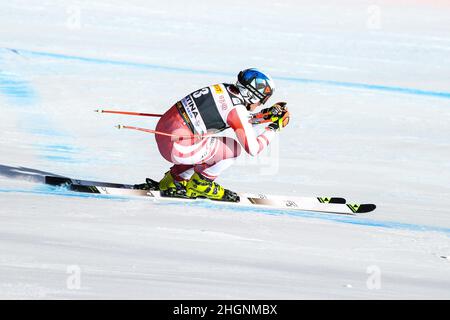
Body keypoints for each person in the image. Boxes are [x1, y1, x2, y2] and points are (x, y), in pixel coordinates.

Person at [153, 68, 290, 202]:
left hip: (164, 135)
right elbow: (253, 149)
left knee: (206, 142)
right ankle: (201, 184)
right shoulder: (237, 110)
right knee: (232, 148)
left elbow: (236, 118)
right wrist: (274, 128)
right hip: (177, 149)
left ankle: (174, 179)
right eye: (262, 100)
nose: (260, 104)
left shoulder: (222, 88)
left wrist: (264, 116)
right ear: (252, 95)